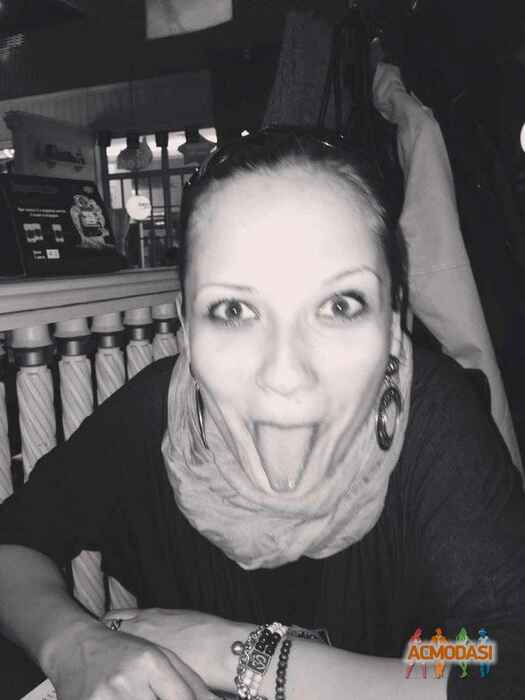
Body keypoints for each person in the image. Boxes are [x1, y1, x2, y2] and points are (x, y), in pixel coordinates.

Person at [0, 128, 525, 700]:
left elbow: (497, 658)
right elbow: (14, 540)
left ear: (394, 320)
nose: (285, 373)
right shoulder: (152, 418)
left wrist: (237, 654)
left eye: (340, 305)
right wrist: (72, 644)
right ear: (186, 327)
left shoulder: (433, 420)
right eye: (233, 310)